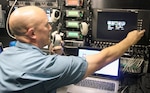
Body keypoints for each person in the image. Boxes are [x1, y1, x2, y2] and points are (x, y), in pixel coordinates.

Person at [0, 6, 145, 93]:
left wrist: (55, 57)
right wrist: (129, 40)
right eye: (46, 25)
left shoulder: (5, 54)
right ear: (32, 33)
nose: (50, 28)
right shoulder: (44, 66)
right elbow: (104, 58)